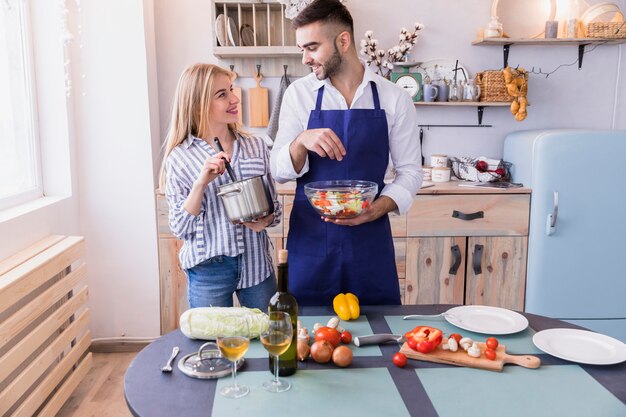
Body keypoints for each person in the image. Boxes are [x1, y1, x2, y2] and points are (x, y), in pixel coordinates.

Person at [270, 0, 422, 306]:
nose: (305, 59)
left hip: (370, 241)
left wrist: (376, 209)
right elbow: (279, 170)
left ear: (343, 40)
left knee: (379, 338)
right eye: (302, 49)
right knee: (308, 339)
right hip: (311, 242)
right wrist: (301, 141)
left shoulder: (394, 98)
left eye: (312, 47)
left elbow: (410, 172)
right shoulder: (299, 94)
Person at [160, 63, 281, 310]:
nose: (235, 99)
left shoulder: (255, 146)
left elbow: (276, 211)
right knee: (213, 347)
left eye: (231, 90)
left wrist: (265, 220)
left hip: (256, 264)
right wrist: (201, 183)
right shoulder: (180, 158)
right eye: (222, 95)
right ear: (198, 104)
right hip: (208, 272)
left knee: (270, 339)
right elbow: (180, 228)